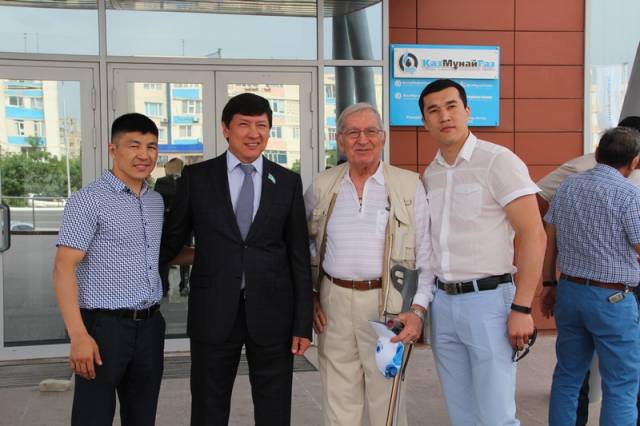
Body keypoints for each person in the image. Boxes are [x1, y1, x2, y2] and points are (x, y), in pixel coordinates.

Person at [160, 92, 313, 426]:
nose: (253, 133)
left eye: (262, 125)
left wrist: (303, 323)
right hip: (213, 311)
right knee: (208, 407)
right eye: (244, 124)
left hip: (273, 313)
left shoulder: (286, 181)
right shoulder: (197, 178)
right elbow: (171, 240)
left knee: (274, 409)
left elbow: (299, 256)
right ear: (226, 128)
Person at [419, 79, 546, 426]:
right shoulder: (431, 174)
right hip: (443, 303)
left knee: (496, 415)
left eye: (451, 106)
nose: (444, 116)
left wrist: (522, 307)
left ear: (467, 111)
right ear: (425, 122)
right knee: (461, 413)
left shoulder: (498, 161)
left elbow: (534, 234)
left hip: (489, 302)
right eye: (434, 110)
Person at [305, 103, 434, 426]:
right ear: (340, 140)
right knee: (338, 398)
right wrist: (310, 295)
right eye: (353, 132)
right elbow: (303, 245)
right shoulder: (322, 185)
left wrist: (418, 311)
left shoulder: (408, 185)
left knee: (387, 399)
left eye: (370, 131)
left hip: (388, 305)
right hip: (333, 302)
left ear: (383, 137)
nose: (362, 140)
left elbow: (426, 255)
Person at [52, 113, 165, 426]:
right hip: (103, 329)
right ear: (113, 150)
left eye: (151, 146)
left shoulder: (155, 202)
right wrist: (78, 335)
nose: (144, 155)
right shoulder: (88, 200)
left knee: (142, 418)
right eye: (134, 145)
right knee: (93, 417)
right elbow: (63, 268)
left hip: (150, 327)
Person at [537, 115, 640, 426]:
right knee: (620, 383)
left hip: (569, 291)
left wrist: (548, 283)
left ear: (597, 153)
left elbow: (551, 238)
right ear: (635, 162)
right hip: (613, 300)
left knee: (568, 375)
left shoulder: (568, 186)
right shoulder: (629, 195)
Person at [154, 157, 190, 297]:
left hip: (185, 224)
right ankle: (164, 286)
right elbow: (160, 199)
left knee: (184, 256)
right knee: (166, 255)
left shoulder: (187, 181)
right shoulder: (162, 181)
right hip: (167, 224)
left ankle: (184, 285)